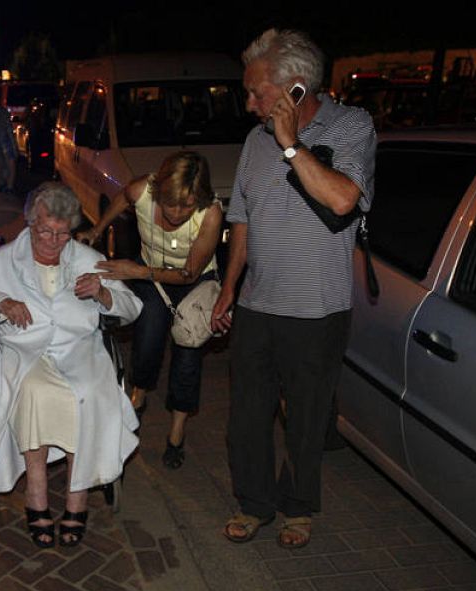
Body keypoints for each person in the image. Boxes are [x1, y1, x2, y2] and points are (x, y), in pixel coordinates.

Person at [211, 29, 376, 548]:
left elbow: (343, 198)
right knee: (247, 420)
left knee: (305, 422)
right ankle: (254, 504)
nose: (249, 104)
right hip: (258, 305)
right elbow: (241, 219)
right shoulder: (252, 142)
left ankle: (298, 508)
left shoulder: (352, 126)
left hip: (317, 310)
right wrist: (228, 287)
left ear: (296, 90)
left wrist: (291, 146)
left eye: (258, 93)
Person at [0, 182, 142, 548]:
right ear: (30, 223)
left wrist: (104, 294)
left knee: (88, 393)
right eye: (44, 231)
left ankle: (77, 499)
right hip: (26, 352)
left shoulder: (87, 259)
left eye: (62, 233)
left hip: (79, 350)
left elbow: (133, 308)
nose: (53, 240)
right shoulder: (3, 259)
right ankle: (36, 496)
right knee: (35, 391)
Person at [77, 152, 223, 469]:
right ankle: (139, 393)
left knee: (188, 350)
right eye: (172, 204)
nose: (178, 212)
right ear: (159, 192)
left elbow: (189, 274)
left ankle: (176, 431)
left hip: (191, 280)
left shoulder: (210, 214)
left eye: (187, 205)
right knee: (149, 331)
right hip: (152, 276)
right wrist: (98, 229)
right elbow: (121, 199)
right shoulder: (142, 189)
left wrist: (137, 271)